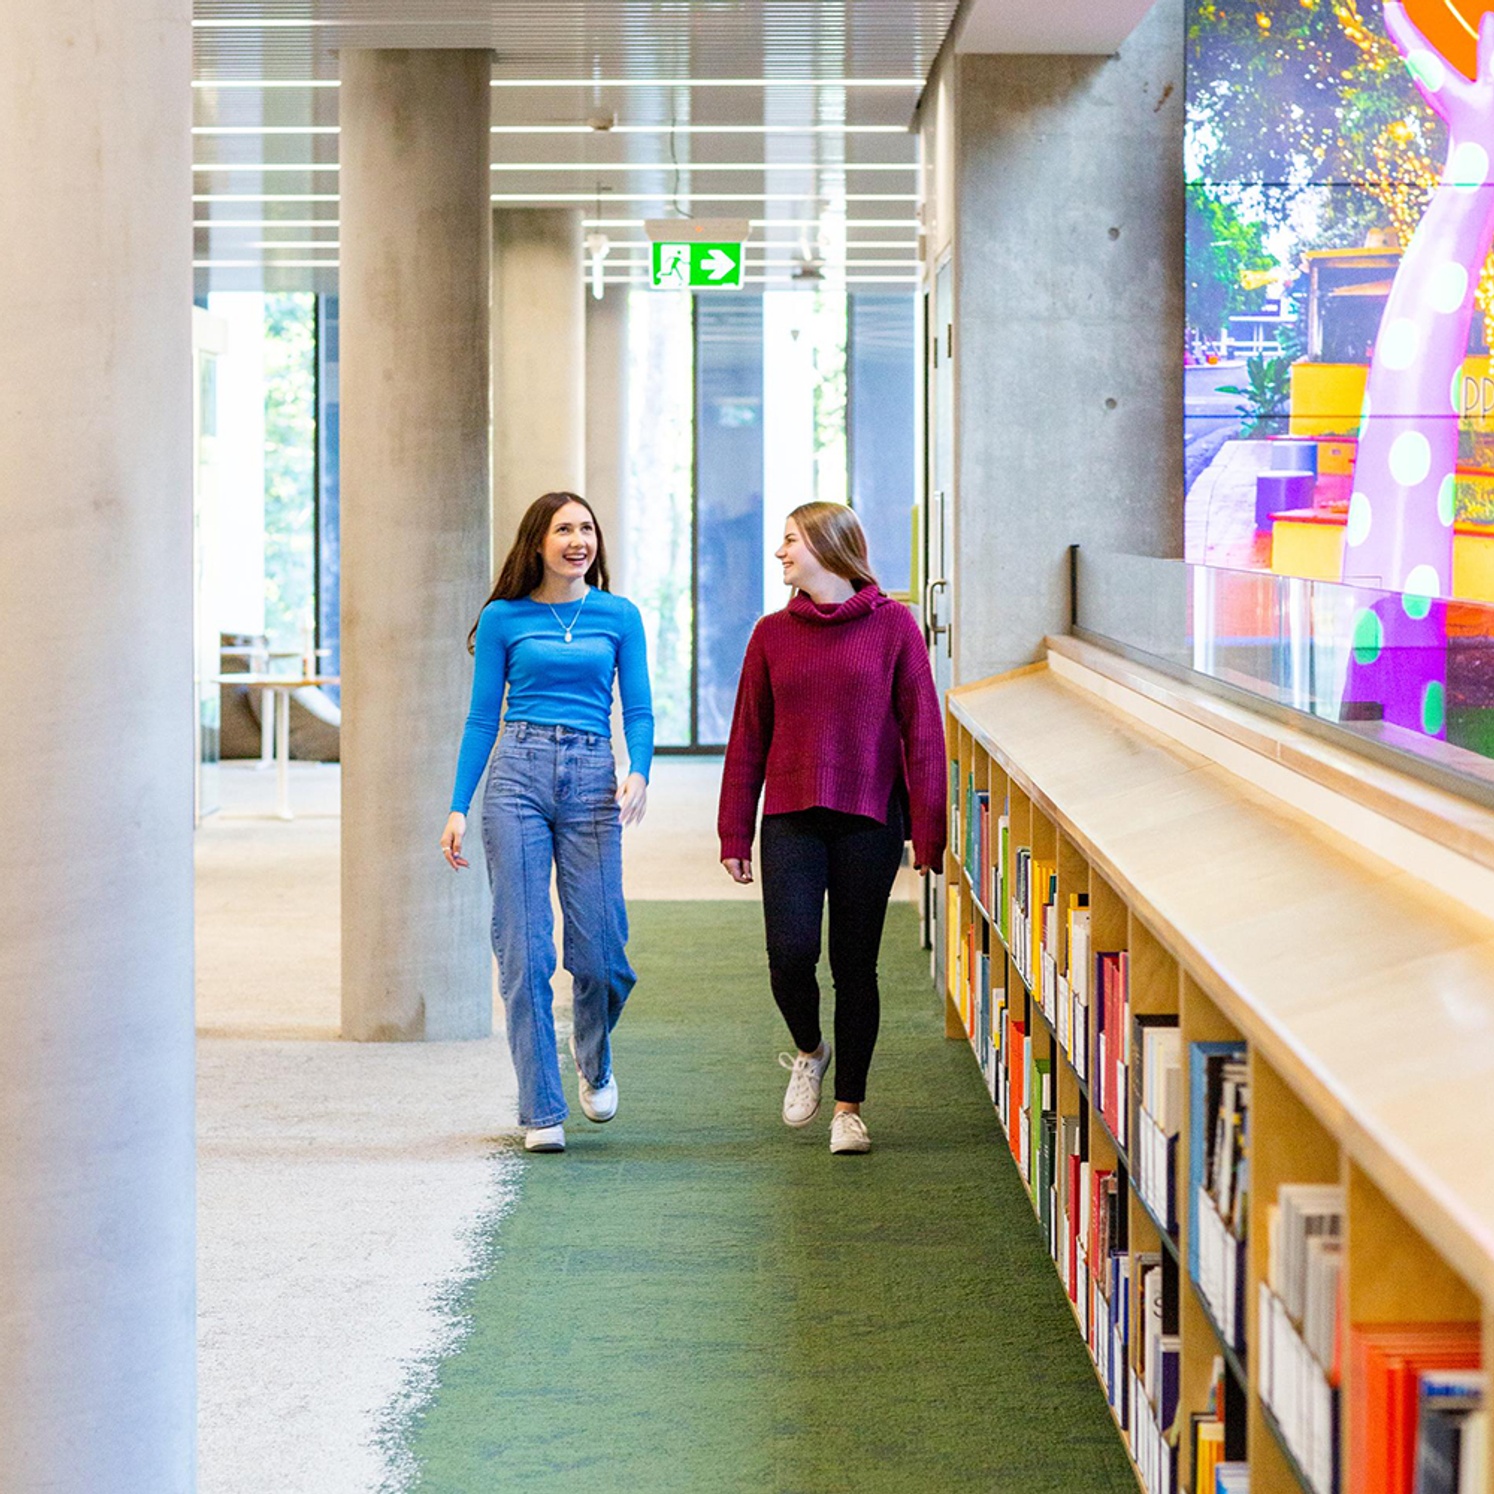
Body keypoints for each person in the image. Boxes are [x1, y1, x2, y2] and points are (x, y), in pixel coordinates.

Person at [718, 502, 946, 1155]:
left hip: (869, 818)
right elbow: (747, 740)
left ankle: (849, 1107)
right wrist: (735, 831)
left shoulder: (895, 626)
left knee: (855, 965)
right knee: (790, 957)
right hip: (790, 814)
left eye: (789, 541)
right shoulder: (771, 634)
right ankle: (809, 1050)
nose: (779, 552)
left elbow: (922, 733)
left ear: (825, 546)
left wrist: (927, 830)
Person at [442, 491, 653, 1154]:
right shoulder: (505, 619)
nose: (577, 539)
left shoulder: (619, 616)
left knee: (601, 956)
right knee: (524, 951)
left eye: (586, 528)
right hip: (518, 777)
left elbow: (639, 710)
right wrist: (457, 804)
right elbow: (482, 717)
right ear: (538, 541)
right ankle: (541, 1109)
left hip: (593, 777)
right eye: (564, 528)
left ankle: (593, 1055)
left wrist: (639, 769)